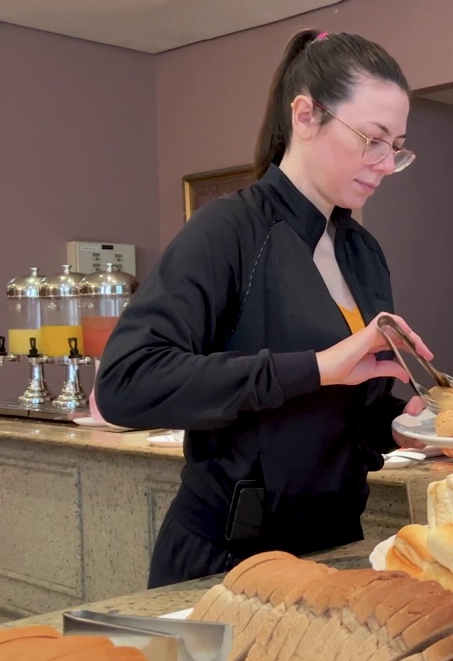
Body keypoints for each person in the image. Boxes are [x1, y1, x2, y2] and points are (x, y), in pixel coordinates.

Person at [95, 29, 430, 588]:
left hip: (332, 550)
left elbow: (335, 412)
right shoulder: (228, 231)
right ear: (304, 115)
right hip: (226, 562)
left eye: (395, 147)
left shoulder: (363, 252)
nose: (385, 163)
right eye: (371, 139)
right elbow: (125, 384)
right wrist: (318, 365)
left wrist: (399, 426)